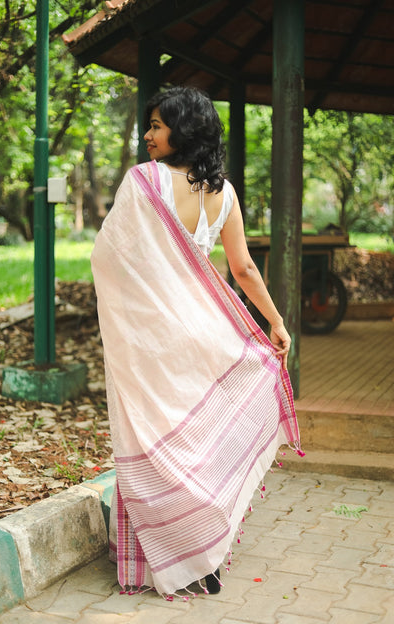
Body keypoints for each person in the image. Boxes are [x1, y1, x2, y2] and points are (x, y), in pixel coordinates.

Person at [91, 86, 302, 600]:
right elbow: (243, 269)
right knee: (197, 445)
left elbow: (109, 256)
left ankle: (169, 556)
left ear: (183, 131)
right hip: (205, 337)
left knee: (152, 442)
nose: (147, 134)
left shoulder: (144, 182)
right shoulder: (224, 193)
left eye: (158, 125)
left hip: (153, 342)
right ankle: (202, 554)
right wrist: (275, 322)